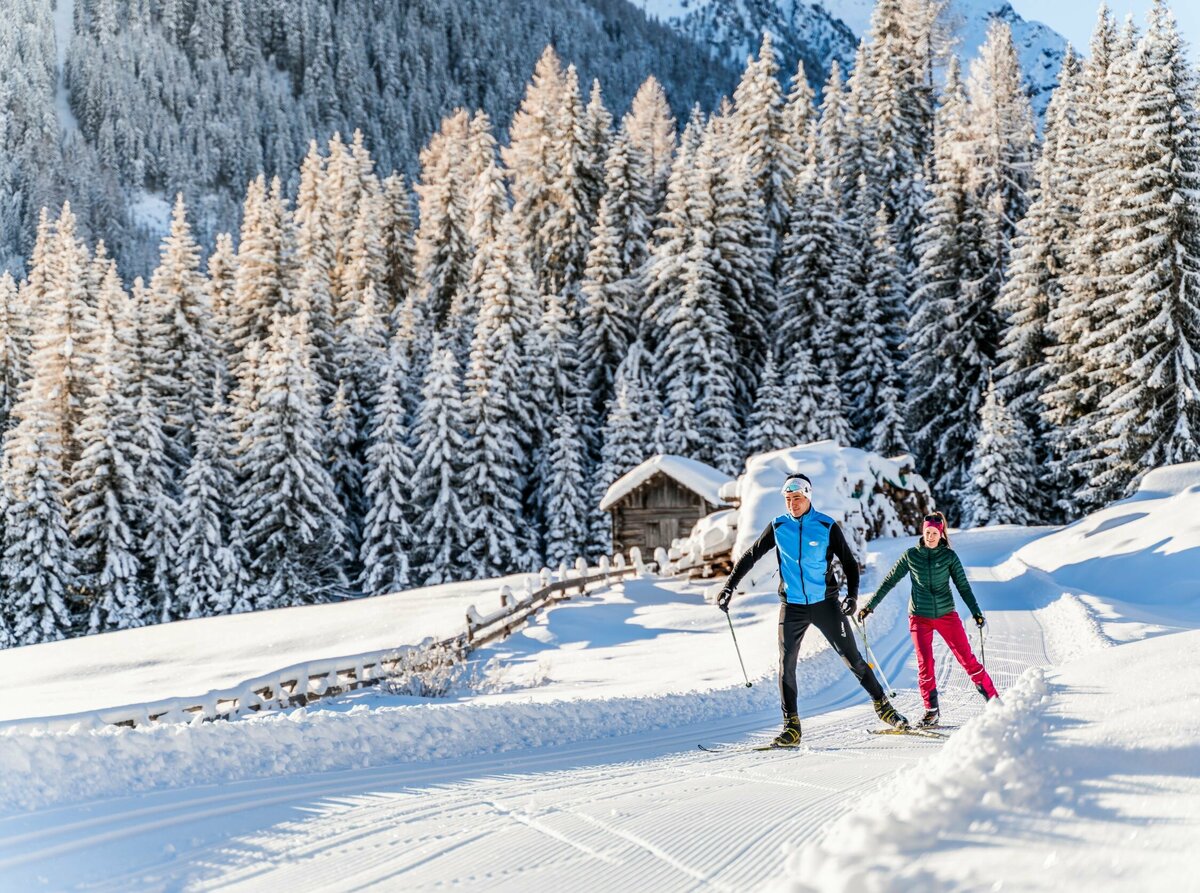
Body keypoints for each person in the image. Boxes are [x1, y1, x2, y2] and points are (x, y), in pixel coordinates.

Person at [718, 473, 908, 747]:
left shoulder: (826, 525)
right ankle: (791, 727)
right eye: (788, 499)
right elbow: (751, 555)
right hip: (792, 606)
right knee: (786, 665)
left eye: (797, 498)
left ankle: (883, 707)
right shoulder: (778, 526)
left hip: (826, 604)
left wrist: (852, 597)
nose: (792, 504)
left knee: (853, 659)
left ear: (808, 497)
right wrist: (729, 587)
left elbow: (850, 564)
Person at [857, 511, 998, 728]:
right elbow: (889, 581)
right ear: (922, 532)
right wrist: (870, 606)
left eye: (934, 533)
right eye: (927, 532)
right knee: (925, 664)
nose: (930, 536)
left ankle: (994, 701)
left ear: (941, 534)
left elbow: (963, 586)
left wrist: (976, 611)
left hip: (946, 615)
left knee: (967, 659)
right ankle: (931, 712)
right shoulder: (911, 555)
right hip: (919, 617)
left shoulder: (949, 557)